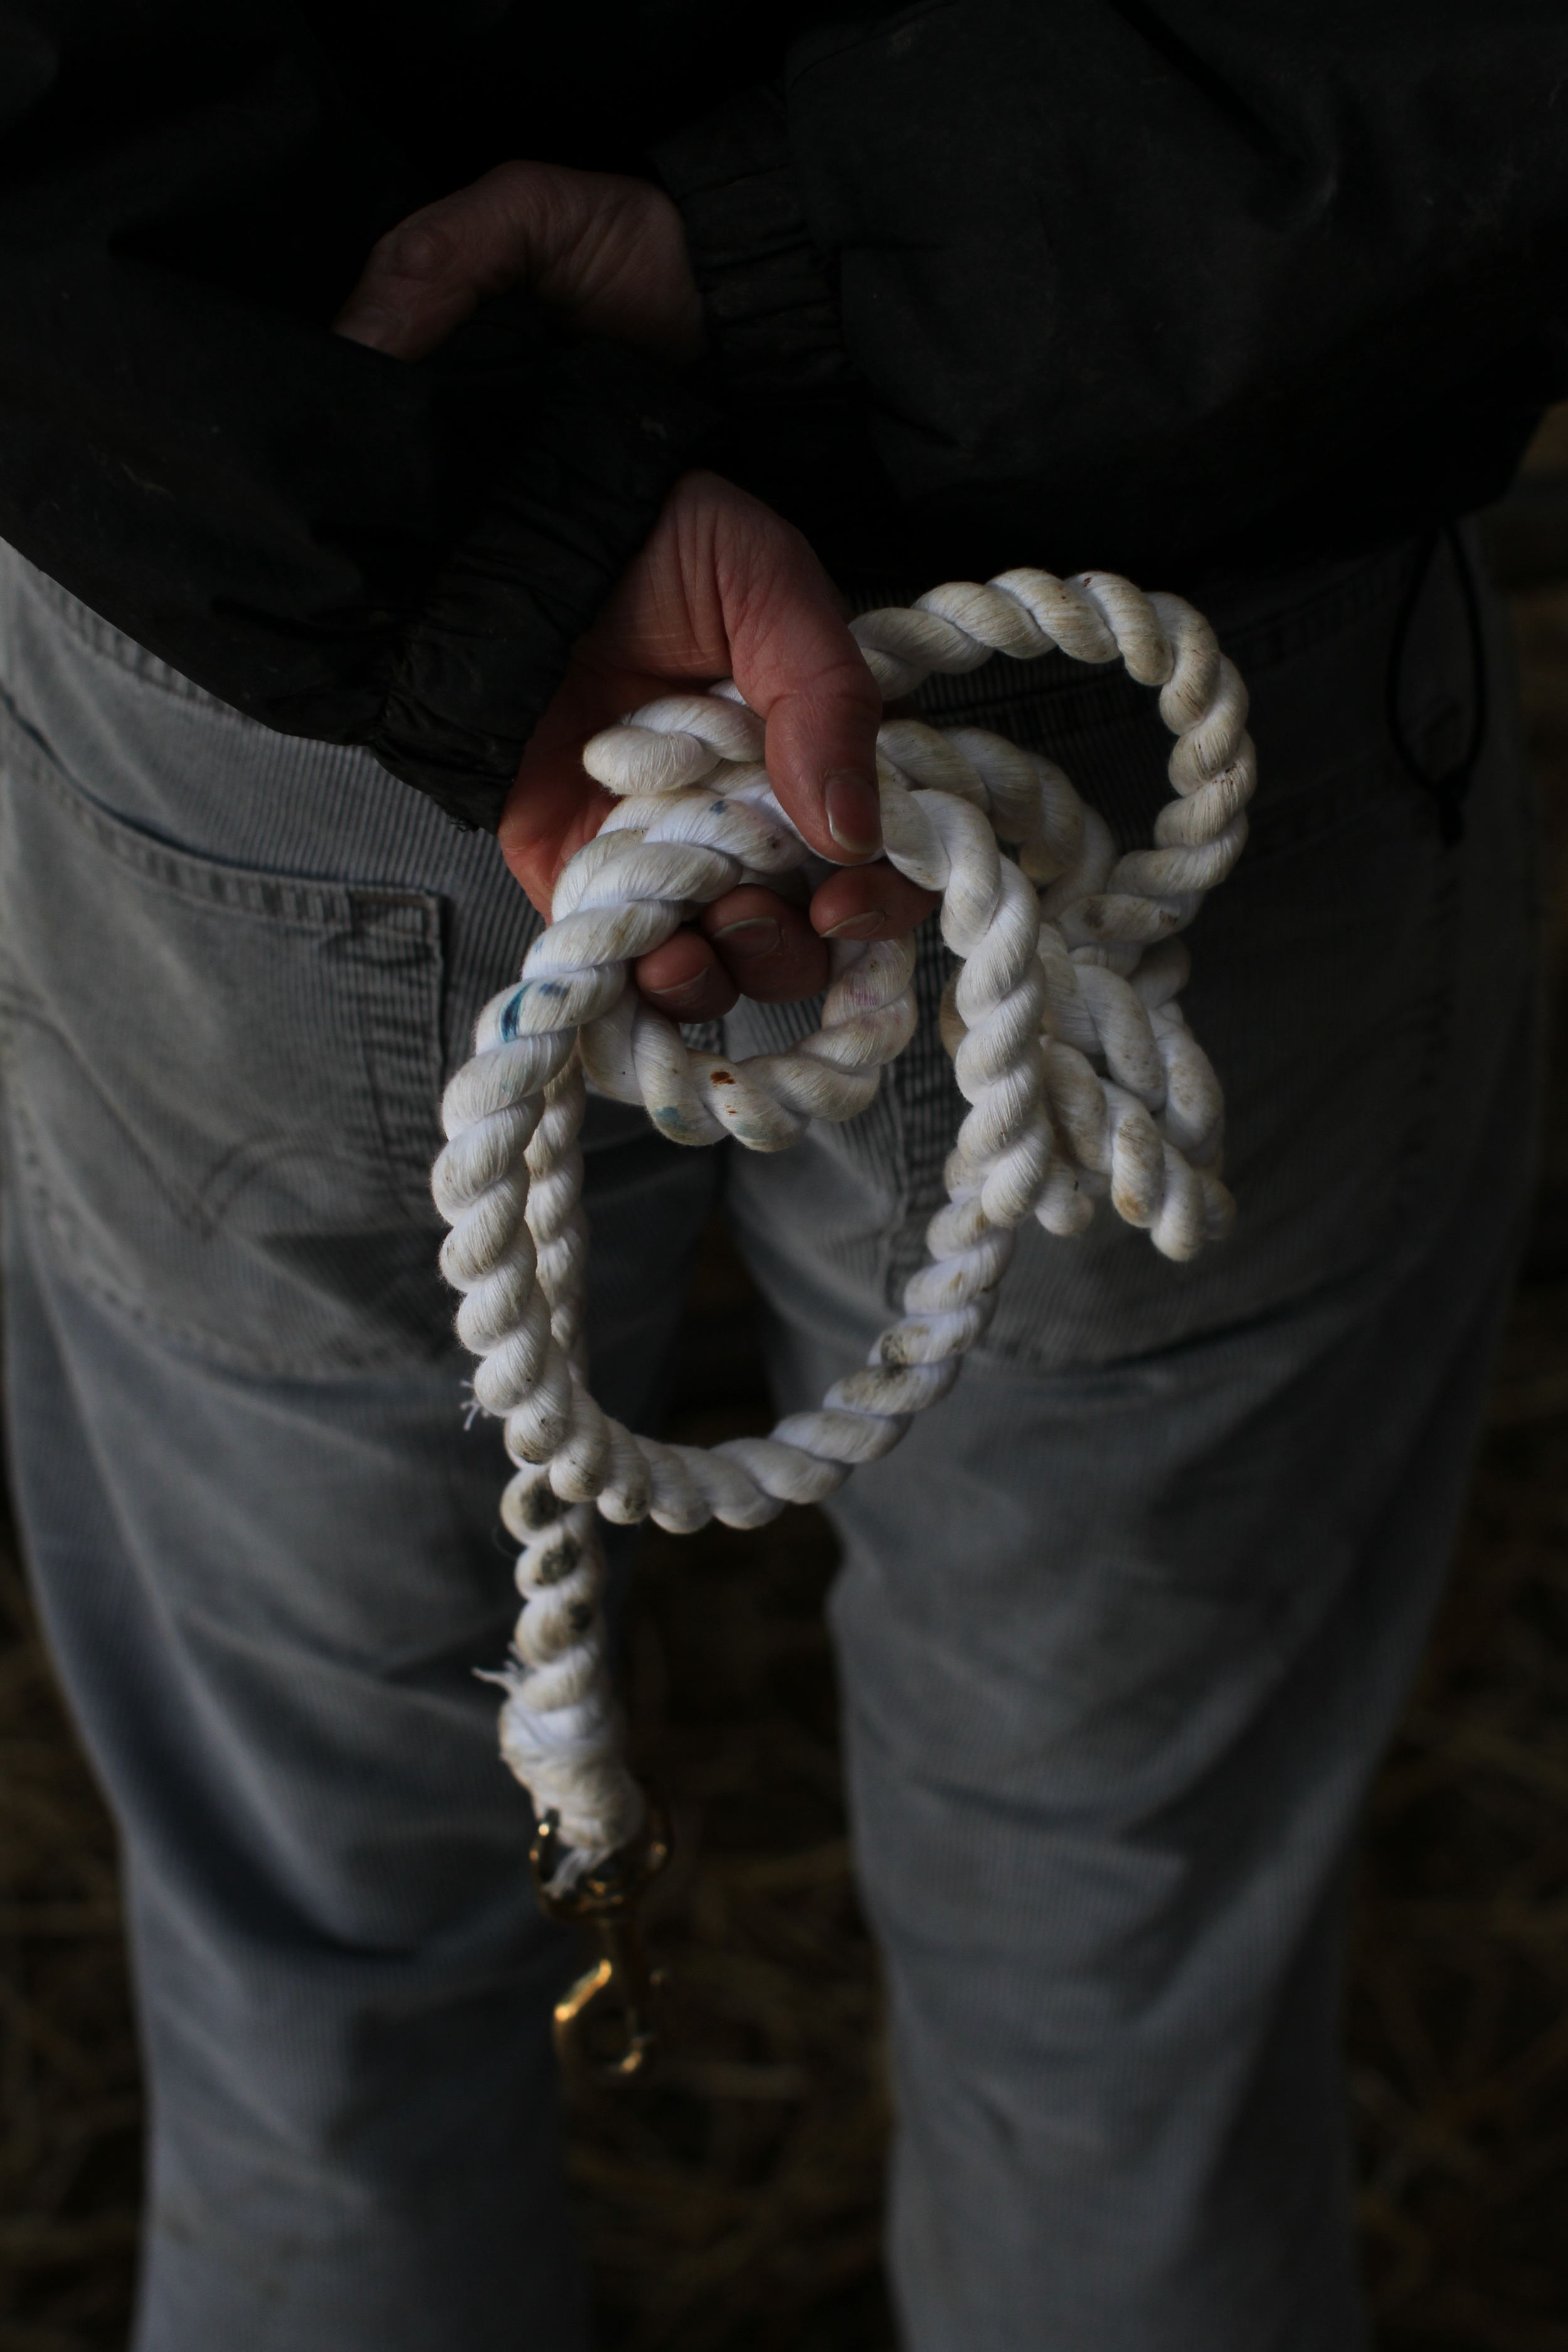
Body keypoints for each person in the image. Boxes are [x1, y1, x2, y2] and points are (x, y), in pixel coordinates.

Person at [0, 6, 1564, 2346]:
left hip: (275, 611)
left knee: (313, 1960)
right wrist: (850, 270)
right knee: (1117, 1974)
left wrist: (444, 525)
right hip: (1174, 532)